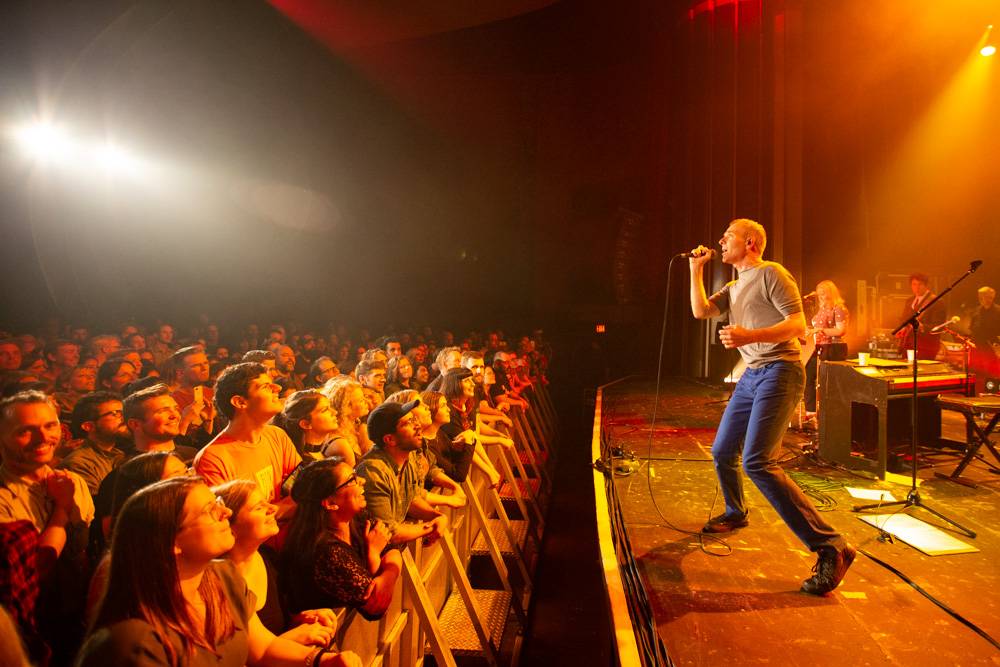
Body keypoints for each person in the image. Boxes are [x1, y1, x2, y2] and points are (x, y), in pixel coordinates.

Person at [687, 218, 854, 595]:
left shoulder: (771, 273)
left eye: (727, 236)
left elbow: (796, 324)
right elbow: (700, 312)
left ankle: (832, 546)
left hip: (781, 370)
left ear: (749, 242)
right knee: (722, 451)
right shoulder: (732, 286)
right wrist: (696, 270)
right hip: (753, 375)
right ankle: (735, 512)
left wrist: (749, 335)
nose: (720, 241)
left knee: (758, 462)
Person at [77, 477, 361, 667]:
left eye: (220, 505)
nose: (226, 514)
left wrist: (320, 660)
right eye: (209, 511)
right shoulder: (134, 643)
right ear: (171, 541)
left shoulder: (223, 577)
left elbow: (261, 648)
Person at [214, 480, 337, 642]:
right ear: (229, 524)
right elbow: (244, 658)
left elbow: (277, 627)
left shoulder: (268, 556)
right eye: (259, 507)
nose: (273, 508)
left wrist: (300, 619)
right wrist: (291, 639)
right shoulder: (218, 584)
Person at [283, 459, 402, 621]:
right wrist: (374, 554)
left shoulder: (355, 517)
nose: (362, 480)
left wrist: (388, 576)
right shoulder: (327, 552)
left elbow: (392, 546)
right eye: (352, 479)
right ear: (331, 503)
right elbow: (375, 608)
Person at [194, 363, 301, 520]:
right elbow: (231, 520)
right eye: (266, 386)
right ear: (240, 402)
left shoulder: (277, 436)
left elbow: (303, 487)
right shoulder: (213, 458)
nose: (277, 388)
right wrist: (286, 506)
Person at [355, 400, 448, 545]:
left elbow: (411, 499)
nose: (417, 425)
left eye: (413, 419)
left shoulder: (408, 457)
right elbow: (388, 532)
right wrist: (430, 527)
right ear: (390, 439)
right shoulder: (373, 471)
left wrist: (437, 516)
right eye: (407, 423)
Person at [58, 391, 128, 495]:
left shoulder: (118, 454)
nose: (123, 418)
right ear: (88, 426)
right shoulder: (79, 463)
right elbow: (98, 506)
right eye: (115, 413)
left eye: (123, 413)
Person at [803, 280, 849, 417]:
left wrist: (820, 330)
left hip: (834, 347)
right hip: (820, 346)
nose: (821, 296)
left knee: (830, 380)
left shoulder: (839, 308)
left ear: (831, 293)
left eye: (824, 293)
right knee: (808, 375)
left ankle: (832, 411)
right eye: (820, 293)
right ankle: (811, 411)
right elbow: (818, 327)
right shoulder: (822, 309)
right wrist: (811, 330)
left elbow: (840, 330)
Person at [895, 272, 946, 360]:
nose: (917, 287)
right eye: (914, 284)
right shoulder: (909, 301)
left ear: (926, 285)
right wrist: (902, 328)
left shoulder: (937, 301)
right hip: (908, 345)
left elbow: (939, 327)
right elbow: (904, 319)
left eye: (920, 284)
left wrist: (922, 327)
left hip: (926, 347)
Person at [970, 286, 1000, 383]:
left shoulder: (998, 311)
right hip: (977, 347)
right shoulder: (976, 310)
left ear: (993, 297)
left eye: (988, 297)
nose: (985, 299)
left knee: (991, 374)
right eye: (982, 296)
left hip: (991, 348)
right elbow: (972, 327)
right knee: (977, 373)